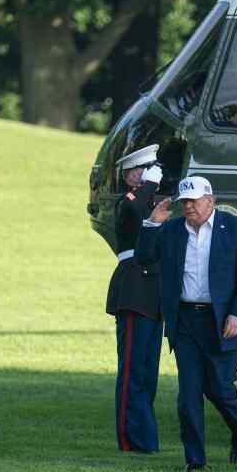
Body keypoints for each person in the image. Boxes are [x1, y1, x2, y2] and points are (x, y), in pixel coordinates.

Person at [137, 176, 237, 472]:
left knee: (220, 389)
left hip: (222, 320)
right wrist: (152, 223)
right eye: (184, 202)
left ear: (210, 200)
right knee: (188, 394)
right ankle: (195, 460)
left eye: (193, 201)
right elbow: (143, 258)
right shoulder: (171, 230)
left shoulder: (235, 228)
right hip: (185, 321)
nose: (188, 206)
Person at [105, 143, 164, 453]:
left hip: (154, 294)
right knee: (132, 371)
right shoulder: (127, 202)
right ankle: (131, 439)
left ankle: (146, 438)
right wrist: (149, 185)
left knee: (148, 372)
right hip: (134, 290)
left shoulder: (150, 204)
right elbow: (132, 210)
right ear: (130, 176)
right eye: (143, 170)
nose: (150, 174)